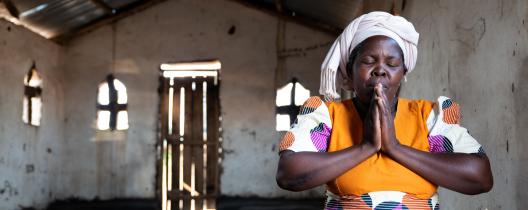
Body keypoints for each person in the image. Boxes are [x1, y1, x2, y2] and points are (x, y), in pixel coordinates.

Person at [275, 11, 493, 209]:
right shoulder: (327, 116)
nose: (380, 70)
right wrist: (366, 147)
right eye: (368, 62)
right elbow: (288, 174)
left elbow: (481, 177)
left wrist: (395, 148)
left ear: (403, 73)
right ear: (350, 72)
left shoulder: (428, 117)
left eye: (392, 63)